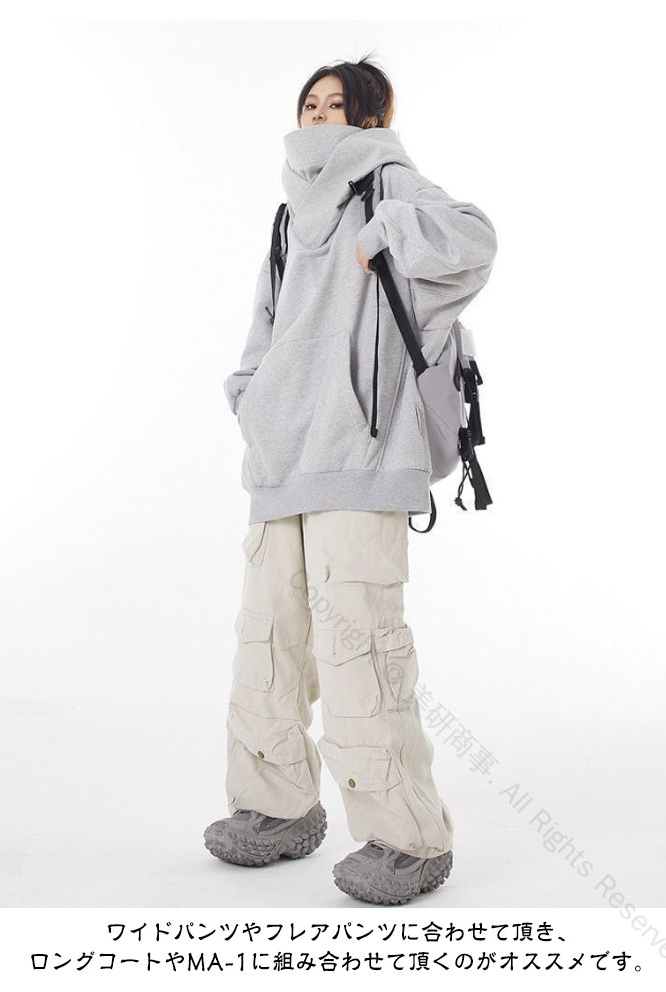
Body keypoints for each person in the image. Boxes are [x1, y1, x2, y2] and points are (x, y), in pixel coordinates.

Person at [204, 56, 497, 905]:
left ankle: (409, 838)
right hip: (280, 461)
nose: (320, 115)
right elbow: (265, 326)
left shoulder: (387, 181)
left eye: (338, 104)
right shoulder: (286, 216)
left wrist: (389, 234)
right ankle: (276, 807)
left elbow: (475, 239)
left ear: (369, 119)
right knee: (267, 642)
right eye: (310, 102)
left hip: (363, 459)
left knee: (360, 649)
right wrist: (249, 396)